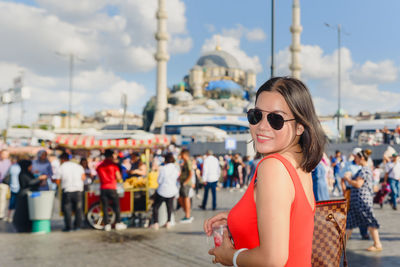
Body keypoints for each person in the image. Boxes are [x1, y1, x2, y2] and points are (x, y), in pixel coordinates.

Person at [204, 77, 326, 266]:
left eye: (275, 119)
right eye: (256, 115)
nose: (261, 126)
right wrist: (237, 217)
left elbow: (273, 259)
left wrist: (230, 257)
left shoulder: (272, 167)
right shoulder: (298, 164)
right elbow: (290, 220)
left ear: (300, 126)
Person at [343, 149, 383, 251]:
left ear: (361, 158)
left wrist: (348, 179)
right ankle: (341, 245)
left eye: (356, 157)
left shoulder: (365, 170)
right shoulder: (364, 169)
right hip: (357, 201)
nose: (354, 159)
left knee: (369, 221)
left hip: (362, 201)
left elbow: (358, 184)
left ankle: (377, 244)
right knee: (349, 222)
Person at [96, 149, 127, 231]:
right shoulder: (114, 166)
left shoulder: (100, 166)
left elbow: (98, 176)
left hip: (103, 188)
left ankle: (107, 225)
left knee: (105, 207)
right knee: (116, 206)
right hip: (112, 188)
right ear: (111, 156)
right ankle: (118, 223)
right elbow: (119, 177)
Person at [13, 160, 46, 232]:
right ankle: (23, 227)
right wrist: (39, 178)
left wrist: (39, 179)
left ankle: (28, 226)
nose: (32, 167)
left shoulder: (28, 173)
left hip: (29, 196)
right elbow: (30, 182)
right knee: (24, 213)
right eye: (30, 166)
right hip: (24, 197)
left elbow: (33, 182)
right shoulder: (23, 174)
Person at [56, 153, 85, 232]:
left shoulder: (61, 167)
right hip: (78, 190)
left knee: (67, 209)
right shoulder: (78, 166)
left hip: (67, 190)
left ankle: (69, 227)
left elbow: (57, 181)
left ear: (62, 159)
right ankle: (78, 226)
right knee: (78, 209)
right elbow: (83, 177)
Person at [150, 153, 179, 230]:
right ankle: (168, 222)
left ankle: (156, 223)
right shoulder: (176, 169)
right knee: (169, 207)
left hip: (162, 190)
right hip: (172, 190)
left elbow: (159, 180)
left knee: (156, 206)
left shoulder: (163, 168)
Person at [178, 148, 194, 223]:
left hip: (186, 184)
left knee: (186, 198)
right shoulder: (185, 162)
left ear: (184, 155)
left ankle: (188, 216)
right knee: (182, 198)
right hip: (183, 183)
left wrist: (186, 182)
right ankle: (187, 214)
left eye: (181, 154)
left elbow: (191, 173)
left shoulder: (188, 162)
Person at [6, 155, 20, 222]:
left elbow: (7, 175)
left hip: (13, 186)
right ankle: (11, 217)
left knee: (12, 203)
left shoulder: (12, 167)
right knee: (15, 203)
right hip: (16, 187)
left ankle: (9, 216)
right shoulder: (17, 167)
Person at [0, 149, 11, 220]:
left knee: (3, 199)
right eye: (4, 154)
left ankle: (0, 215)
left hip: (4, 183)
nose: (5, 156)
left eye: (6, 154)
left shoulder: (8, 162)